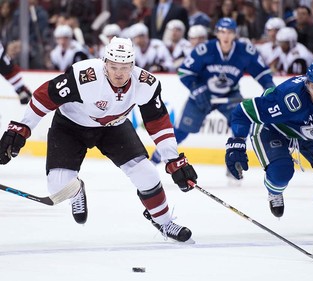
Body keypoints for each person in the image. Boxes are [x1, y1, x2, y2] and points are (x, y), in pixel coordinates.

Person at [0, 37, 198, 243]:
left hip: (113, 127)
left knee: (146, 172)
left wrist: (173, 160)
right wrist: (21, 128)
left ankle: (164, 222)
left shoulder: (146, 84)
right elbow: (44, 96)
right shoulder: (84, 76)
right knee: (57, 187)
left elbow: (159, 123)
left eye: (125, 67)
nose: (119, 73)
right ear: (104, 63)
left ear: (133, 65)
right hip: (70, 126)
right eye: (113, 67)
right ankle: (76, 191)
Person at [225, 58, 313, 234]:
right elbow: (242, 112)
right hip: (275, 130)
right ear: (307, 83)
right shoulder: (289, 97)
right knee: (281, 173)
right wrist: (236, 143)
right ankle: (274, 192)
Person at [150, 17, 275, 166]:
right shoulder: (205, 50)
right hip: (203, 95)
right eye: (222, 32)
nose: (226, 36)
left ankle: (234, 161)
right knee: (181, 131)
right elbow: (184, 72)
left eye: (230, 32)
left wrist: (270, 89)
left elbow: (262, 73)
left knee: (240, 126)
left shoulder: (245, 52)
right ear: (217, 33)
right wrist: (197, 89)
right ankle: (155, 160)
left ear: (235, 34)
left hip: (230, 95)